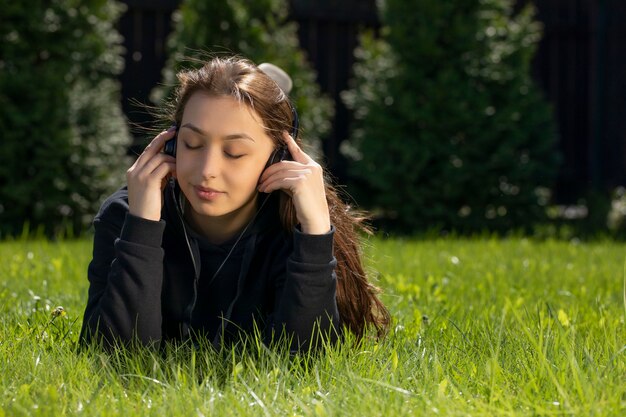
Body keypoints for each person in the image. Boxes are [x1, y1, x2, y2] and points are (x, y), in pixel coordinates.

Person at [79, 56, 389, 351]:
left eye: (235, 152)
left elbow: (304, 361)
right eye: (192, 144)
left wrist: (315, 234)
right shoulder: (126, 215)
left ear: (277, 157)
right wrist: (142, 227)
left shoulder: (291, 226)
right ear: (171, 143)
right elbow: (113, 355)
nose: (207, 171)